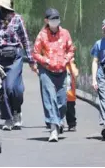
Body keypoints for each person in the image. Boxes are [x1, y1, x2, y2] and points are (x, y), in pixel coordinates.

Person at [0, 0, 37, 131]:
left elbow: (25, 40)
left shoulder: (17, 20)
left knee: (13, 88)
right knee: (2, 89)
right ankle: (8, 118)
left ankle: (17, 111)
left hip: (15, 57)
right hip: (0, 57)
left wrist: (31, 60)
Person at [32, 8, 75, 142]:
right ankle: (53, 129)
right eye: (52, 18)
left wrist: (65, 59)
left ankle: (58, 119)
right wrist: (47, 61)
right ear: (46, 20)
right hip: (46, 71)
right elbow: (36, 53)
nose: (55, 20)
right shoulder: (42, 35)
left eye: (57, 18)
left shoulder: (65, 33)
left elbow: (71, 50)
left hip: (61, 71)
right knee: (50, 98)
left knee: (62, 102)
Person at [65, 59, 79, 131]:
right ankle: (58, 123)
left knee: (70, 108)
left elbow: (76, 73)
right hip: (58, 91)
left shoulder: (70, 64)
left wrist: (71, 63)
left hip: (69, 93)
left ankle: (72, 123)